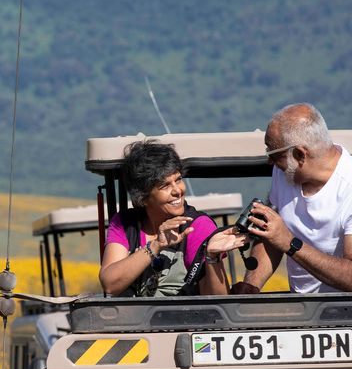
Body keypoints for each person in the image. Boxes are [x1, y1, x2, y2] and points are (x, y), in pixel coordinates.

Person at [99, 140, 248, 297]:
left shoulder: (198, 226)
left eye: (178, 179)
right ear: (143, 197)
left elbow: (218, 300)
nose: (178, 191)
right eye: (165, 185)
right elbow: (110, 284)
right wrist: (155, 246)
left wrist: (212, 258)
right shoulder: (125, 223)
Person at [236, 103, 352, 293]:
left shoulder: (348, 187)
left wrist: (291, 244)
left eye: (274, 155)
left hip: (342, 308)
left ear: (300, 154)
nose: (270, 161)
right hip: (299, 306)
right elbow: (271, 236)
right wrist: (251, 287)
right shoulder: (285, 173)